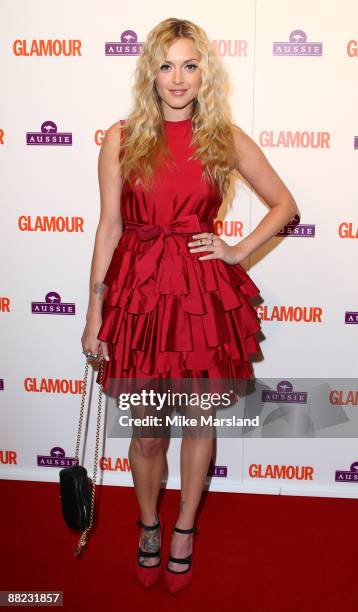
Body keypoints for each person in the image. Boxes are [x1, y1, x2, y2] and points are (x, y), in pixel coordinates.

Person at [81, 17, 298, 593]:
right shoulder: (120, 138)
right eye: (166, 64)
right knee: (149, 429)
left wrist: (235, 250)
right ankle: (148, 524)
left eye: (190, 64)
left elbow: (284, 205)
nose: (178, 78)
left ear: (206, 72)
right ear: (150, 72)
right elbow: (109, 228)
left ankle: (184, 530)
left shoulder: (222, 137)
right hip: (140, 296)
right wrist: (94, 312)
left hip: (200, 298)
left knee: (199, 420)